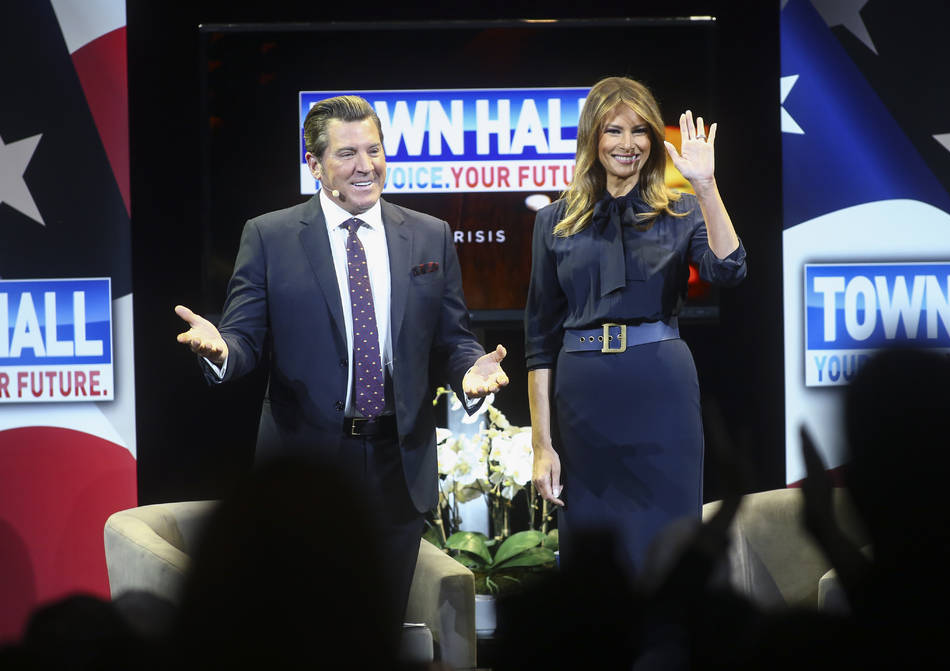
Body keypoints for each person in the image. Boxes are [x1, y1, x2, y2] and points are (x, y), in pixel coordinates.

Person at [173, 95, 508, 625]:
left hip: (399, 463)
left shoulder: (429, 234)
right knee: (309, 628)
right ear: (315, 164)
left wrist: (471, 371)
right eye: (347, 153)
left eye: (373, 150)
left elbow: (451, 337)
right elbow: (242, 340)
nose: (365, 166)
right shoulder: (270, 236)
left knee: (382, 629)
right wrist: (220, 351)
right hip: (307, 466)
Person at [526, 76, 746, 577]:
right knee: (595, 562)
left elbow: (730, 269)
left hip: (661, 394)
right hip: (583, 403)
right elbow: (538, 340)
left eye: (640, 131)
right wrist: (542, 445)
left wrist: (705, 186)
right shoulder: (554, 222)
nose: (628, 144)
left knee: (670, 551)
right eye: (614, 131)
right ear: (592, 139)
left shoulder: (684, 209)